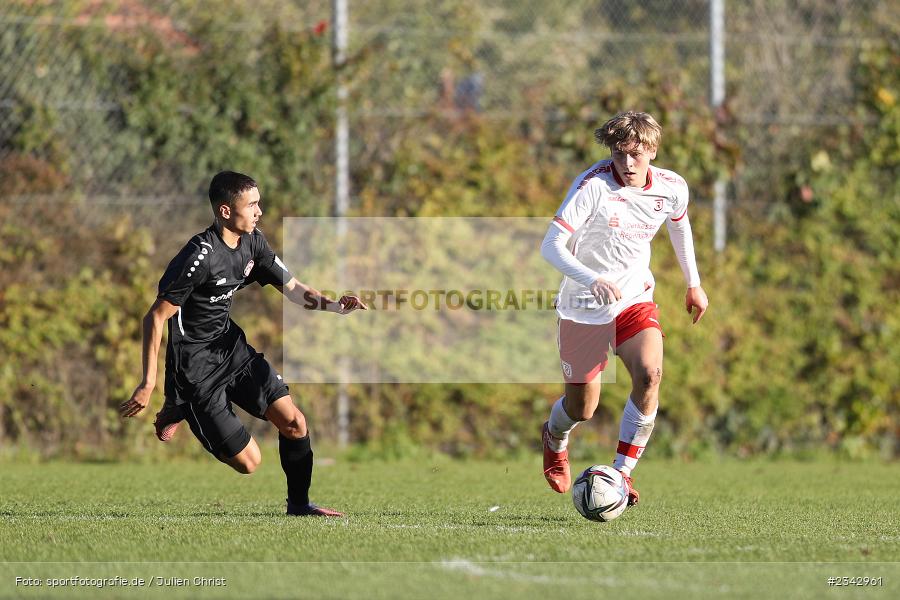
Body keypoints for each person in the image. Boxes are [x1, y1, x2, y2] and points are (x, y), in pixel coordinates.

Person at [120, 171, 366, 517]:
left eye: (258, 203)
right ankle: (180, 404)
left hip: (232, 349)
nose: (259, 211)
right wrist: (148, 383)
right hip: (195, 368)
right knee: (250, 463)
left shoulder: (254, 243)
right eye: (251, 204)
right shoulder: (198, 256)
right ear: (225, 211)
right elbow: (155, 317)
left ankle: (299, 505)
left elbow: (293, 288)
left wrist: (335, 306)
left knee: (295, 422)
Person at [539, 111, 708, 507]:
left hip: (633, 299)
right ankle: (554, 435)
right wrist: (590, 279)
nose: (627, 164)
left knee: (650, 374)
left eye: (636, 154)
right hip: (583, 305)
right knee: (583, 408)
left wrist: (693, 284)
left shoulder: (671, 187)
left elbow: (679, 228)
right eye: (619, 154)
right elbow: (551, 245)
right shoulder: (593, 186)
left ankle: (621, 474)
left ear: (652, 150)